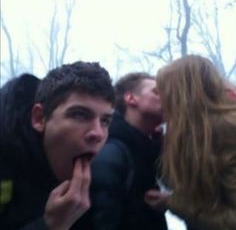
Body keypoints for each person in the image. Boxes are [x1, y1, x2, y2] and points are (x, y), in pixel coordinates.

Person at [0, 61, 115, 230]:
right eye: (80, 115)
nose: (97, 134)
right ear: (39, 118)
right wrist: (51, 226)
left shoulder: (91, 175)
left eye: (105, 121)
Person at [145, 55, 236, 230]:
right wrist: (163, 147)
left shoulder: (227, 131)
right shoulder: (194, 132)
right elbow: (193, 185)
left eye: (162, 92)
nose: (160, 101)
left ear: (180, 94)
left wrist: (174, 203)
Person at [79, 72, 168, 230]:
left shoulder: (146, 150)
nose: (166, 97)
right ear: (131, 99)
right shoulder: (112, 153)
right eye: (156, 92)